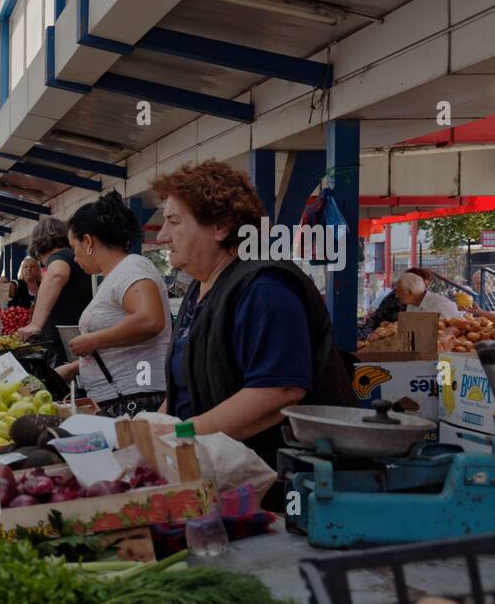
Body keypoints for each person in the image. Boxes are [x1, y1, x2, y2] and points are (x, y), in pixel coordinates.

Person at [152, 159, 355, 470]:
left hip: (278, 482)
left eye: (174, 222)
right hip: (221, 474)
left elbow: (279, 391)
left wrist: (181, 432)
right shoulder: (201, 286)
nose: (161, 237)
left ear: (220, 226)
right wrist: (155, 424)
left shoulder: (265, 287)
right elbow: (188, 383)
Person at [55, 192, 172, 417]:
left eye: (73, 246)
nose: (75, 257)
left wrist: (92, 340)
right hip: (125, 397)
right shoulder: (119, 274)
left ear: (88, 241)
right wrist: (74, 367)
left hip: (136, 399)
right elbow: (125, 346)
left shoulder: (132, 268)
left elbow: (150, 320)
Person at [17, 218, 93, 355]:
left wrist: (35, 324)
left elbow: (57, 274)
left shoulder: (59, 257)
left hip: (64, 345)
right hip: (77, 339)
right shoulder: (74, 257)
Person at [395, 271, 460, 318]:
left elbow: (453, 331)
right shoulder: (411, 306)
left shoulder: (441, 305)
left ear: (411, 292)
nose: (396, 296)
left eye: (399, 292)